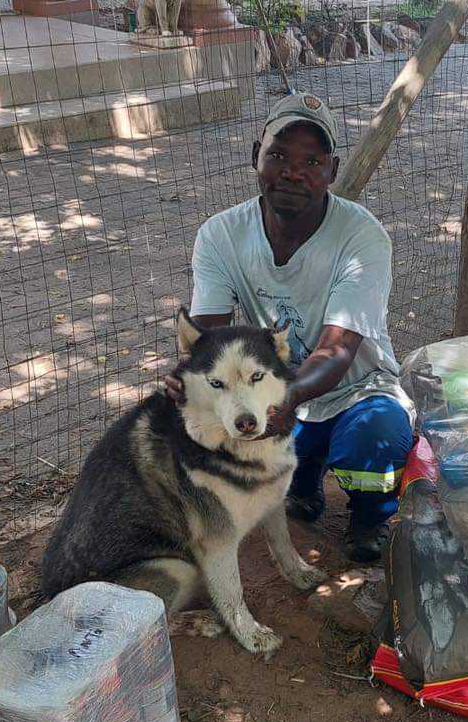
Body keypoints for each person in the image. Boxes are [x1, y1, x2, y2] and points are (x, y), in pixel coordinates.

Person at [171, 91, 414, 562]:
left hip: (357, 387)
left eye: (312, 161)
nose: (293, 171)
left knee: (375, 436)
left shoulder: (362, 237)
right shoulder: (220, 235)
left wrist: (282, 399)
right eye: (278, 154)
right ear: (255, 156)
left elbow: (338, 352)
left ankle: (370, 517)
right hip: (276, 390)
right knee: (213, 425)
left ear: (332, 170)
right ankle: (303, 485)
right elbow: (206, 342)